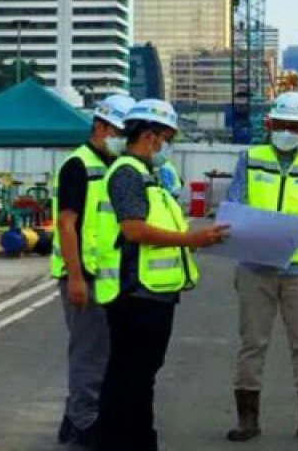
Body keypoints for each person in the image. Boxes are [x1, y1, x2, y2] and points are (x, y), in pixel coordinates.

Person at [93, 98, 230, 451]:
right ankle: (119, 442)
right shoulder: (127, 173)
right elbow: (134, 230)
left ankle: (138, 440)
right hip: (135, 293)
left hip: (154, 293)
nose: (168, 146)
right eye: (167, 138)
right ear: (150, 136)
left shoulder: (148, 175)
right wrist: (192, 239)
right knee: (129, 377)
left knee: (140, 376)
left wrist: (197, 239)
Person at [225, 91, 298, 446]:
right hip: (255, 267)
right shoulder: (250, 160)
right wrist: (267, 235)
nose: (288, 131)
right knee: (252, 343)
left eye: (295, 126)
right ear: (270, 124)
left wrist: (295, 235)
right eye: (282, 124)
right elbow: (236, 204)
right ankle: (247, 420)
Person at [50, 94, 134, 447]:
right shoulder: (78, 165)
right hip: (83, 275)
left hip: (108, 277)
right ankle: (84, 424)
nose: (122, 138)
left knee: (104, 352)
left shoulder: (114, 165)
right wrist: (76, 277)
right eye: (118, 131)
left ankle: (74, 420)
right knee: (90, 354)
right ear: (99, 127)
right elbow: (66, 224)